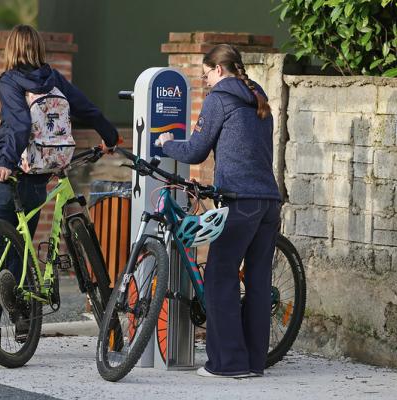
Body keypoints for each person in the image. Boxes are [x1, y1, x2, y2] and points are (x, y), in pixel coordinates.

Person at [0, 25, 118, 356]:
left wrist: (6, 164)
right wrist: (110, 136)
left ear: (11, 50)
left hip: (6, 175)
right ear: (39, 49)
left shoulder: (11, 80)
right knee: (22, 249)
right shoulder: (54, 78)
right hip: (39, 179)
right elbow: (87, 110)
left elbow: (19, 125)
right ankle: (23, 310)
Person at [157, 44, 282, 378]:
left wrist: (166, 143)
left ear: (219, 69)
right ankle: (254, 363)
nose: (206, 82)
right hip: (269, 201)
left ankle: (227, 364)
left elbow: (197, 150)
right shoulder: (258, 96)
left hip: (240, 201)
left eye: (207, 74)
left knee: (219, 276)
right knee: (257, 282)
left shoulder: (219, 99)